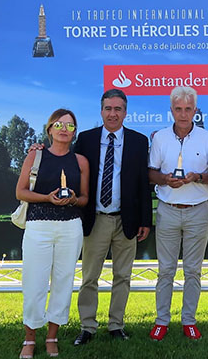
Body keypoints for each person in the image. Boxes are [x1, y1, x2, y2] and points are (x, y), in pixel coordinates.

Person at [73, 89, 152, 345]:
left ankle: (116, 325)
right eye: (108, 108)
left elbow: (143, 184)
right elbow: (67, 166)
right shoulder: (85, 140)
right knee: (89, 277)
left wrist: (145, 221)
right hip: (94, 219)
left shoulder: (139, 142)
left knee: (123, 277)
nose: (113, 114)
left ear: (125, 112)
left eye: (118, 109)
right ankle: (87, 326)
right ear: (101, 111)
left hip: (126, 221)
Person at [16, 109, 89, 358]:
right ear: (49, 129)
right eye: (59, 125)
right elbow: (21, 192)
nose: (64, 130)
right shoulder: (36, 156)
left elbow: (84, 199)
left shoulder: (80, 161)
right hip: (38, 225)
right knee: (34, 282)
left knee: (63, 282)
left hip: (70, 227)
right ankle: (29, 339)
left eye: (70, 126)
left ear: (74, 132)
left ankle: (52, 336)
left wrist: (72, 201)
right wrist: (47, 198)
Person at [147, 86, 208, 341]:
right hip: (167, 210)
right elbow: (151, 173)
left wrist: (197, 177)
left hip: (198, 211)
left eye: (188, 109)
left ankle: (189, 320)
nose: (183, 114)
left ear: (195, 111)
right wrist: (165, 179)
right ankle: (161, 321)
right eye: (178, 109)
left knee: (193, 271)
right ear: (171, 110)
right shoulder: (160, 138)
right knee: (165, 269)